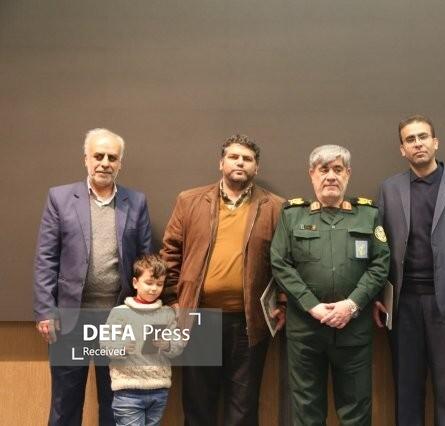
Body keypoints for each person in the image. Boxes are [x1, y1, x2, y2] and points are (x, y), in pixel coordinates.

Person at [161, 134, 285, 425]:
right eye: (234, 157)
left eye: (247, 159)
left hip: (249, 322)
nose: (240, 162)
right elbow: (170, 251)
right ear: (221, 163)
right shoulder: (189, 200)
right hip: (199, 318)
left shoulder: (276, 207)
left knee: (243, 407)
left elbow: (285, 261)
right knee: (198, 404)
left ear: (257, 167)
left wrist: (282, 303)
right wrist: (173, 300)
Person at [374, 114, 445, 426]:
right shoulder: (389, 189)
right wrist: (378, 298)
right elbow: (379, 250)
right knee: (406, 389)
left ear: (435, 142)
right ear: (402, 149)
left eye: (423, 137)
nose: (418, 143)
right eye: (410, 139)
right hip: (403, 305)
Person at [33, 128, 153, 426]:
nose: (104, 163)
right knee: (65, 401)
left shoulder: (136, 201)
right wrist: (45, 310)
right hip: (69, 319)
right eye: (98, 156)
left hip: (118, 319)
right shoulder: (60, 198)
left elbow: (145, 261)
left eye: (112, 157)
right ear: (85, 159)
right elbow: (46, 258)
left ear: (120, 163)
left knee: (115, 401)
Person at [270, 144, 390, 426]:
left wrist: (352, 304)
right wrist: (312, 306)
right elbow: (280, 263)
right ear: (312, 174)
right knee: (306, 410)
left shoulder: (368, 214)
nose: (331, 176)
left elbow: (380, 263)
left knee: (356, 411)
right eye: (323, 170)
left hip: (353, 330)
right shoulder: (292, 215)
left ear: (348, 173)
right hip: (306, 331)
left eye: (338, 169)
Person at [103, 254, 183, 426]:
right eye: (149, 282)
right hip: (127, 391)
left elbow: (178, 346)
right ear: (135, 283)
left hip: (159, 389)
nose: (154, 288)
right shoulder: (120, 313)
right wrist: (121, 348)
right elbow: (106, 346)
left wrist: (167, 345)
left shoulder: (167, 314)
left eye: (159, 284)